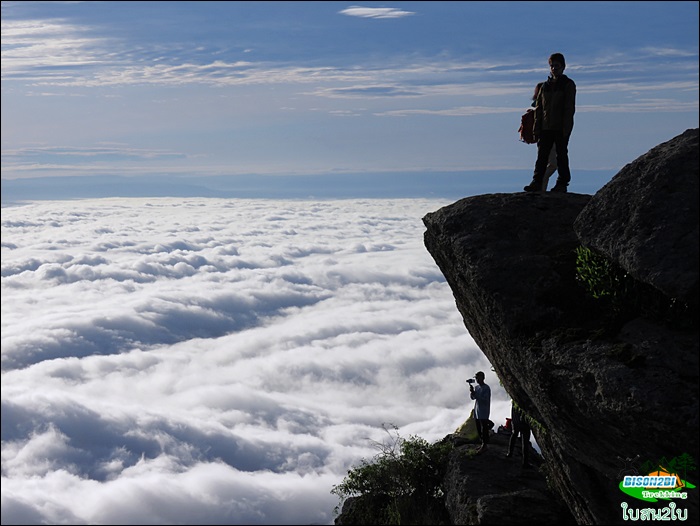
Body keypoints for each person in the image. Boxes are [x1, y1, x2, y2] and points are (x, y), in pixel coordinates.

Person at [524, 52, 576, 193]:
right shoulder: (545, 87)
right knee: (542, 157)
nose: (554, 69)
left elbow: (569, 108)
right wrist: (536, 127)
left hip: (560, 127)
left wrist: (566, 128)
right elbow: (539, 108)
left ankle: (562, 183)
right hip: (545, 127)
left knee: (561, 156)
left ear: (563, 67)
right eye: (552, 66)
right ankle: (536, 182)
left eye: (557, 66)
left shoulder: (568, 85)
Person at [532, 82, 558, 191]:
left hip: (544, 135)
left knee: (546, 162)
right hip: (547, 134)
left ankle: (541, 188)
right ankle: (539, 184)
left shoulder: (538, 105)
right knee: (552, 164)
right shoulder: (542, 106)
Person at [469, 371, 491, 452]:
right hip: (477, 411)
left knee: (484, 428)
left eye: (478, 377)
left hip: (484, 411)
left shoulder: (486, 388)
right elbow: (473, 398)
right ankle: (482, 443)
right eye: (476, 378)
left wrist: (475, 394)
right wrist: (472, 392)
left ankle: (485, 445)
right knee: (479, 429)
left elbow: (484, 400)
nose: (477, 379)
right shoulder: (477, 387)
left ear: (483, 378)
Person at [505, 401, 532, 468]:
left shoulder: (516, 399)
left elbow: (513, 413)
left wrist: (514, 423)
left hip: (517, 422)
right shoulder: (525, 399)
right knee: (525, 442)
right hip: (524, 423)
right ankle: (525, 462)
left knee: (514, 435)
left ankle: (510, 453)